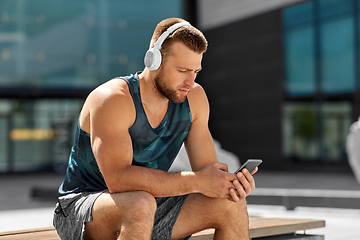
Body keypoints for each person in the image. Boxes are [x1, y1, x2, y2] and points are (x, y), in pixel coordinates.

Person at [53, 17, 258, 240]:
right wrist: (197, 181)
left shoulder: (194, 98)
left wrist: (229, 184)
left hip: (148, 205)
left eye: (196, 72)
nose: (190, 82)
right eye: (182, 70)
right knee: (140, 203)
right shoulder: (113, 99)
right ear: (154, 60)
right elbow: (118, 181)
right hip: (83, 209)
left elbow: (208, 172)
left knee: (230, 204)